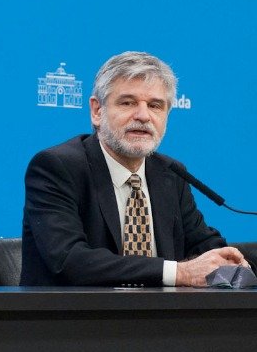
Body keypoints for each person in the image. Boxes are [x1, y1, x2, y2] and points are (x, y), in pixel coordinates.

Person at [21, 51, 244, 287]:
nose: (143, 116)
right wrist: (179, 272)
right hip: (74, 318)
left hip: (163, 320)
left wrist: (228, 262)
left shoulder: (169, 173)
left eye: (155, 105)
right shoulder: (57, 167)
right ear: (97, 111)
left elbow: (202, 244)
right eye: (128, 103)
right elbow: (70, 260)